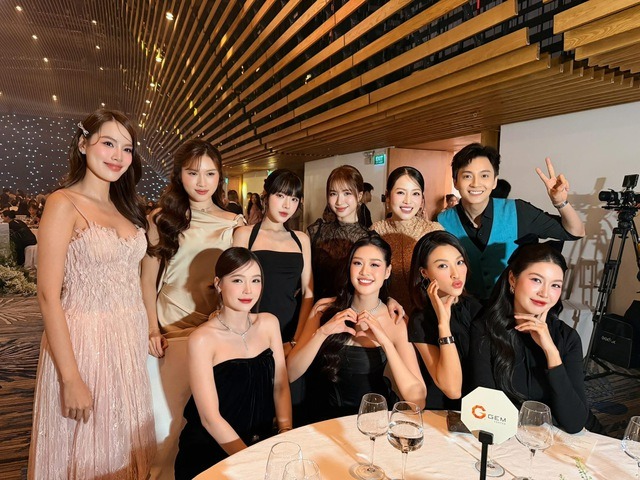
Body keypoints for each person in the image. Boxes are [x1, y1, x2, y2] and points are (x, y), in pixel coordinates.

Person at [28, 109, 155, 478]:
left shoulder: (126, 207)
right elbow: (48, 296)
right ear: (83, 145)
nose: (118, 156)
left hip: (128, 341)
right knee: (89, 452)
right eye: (108, 143)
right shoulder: (63, 202)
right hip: (85, 342)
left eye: (127, 149)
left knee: (121, 446)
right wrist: (70, 378)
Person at [174, 248, 291, 479]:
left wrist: (286, 433)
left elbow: (280, 385)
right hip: (212, 451)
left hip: (262, 443)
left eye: (255, 280)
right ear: (218, 284)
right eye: (238, 280)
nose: (248, 290)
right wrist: (251, 463)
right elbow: (210, 419)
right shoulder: (202, 339)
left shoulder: (269, 323)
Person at [287, 235, 426, 423]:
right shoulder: (324, 309)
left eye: (374, 265)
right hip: (321, 419)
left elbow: (418, 400)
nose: (365, 272)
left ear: (387, 271)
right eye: (357, 263)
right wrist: (322, 333)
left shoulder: (396, 321)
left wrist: (385, 341)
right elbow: (290, 373)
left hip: (371, 422)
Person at [437, 143, 585, 301]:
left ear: (494, 181)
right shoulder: (441, 222)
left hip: (511, 308)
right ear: (455, 181)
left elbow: (575, 232)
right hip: (464, 308)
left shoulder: (518, 211)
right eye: (467, 176)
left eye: (484, 176)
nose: (476, 183)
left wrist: (560, 202)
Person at [469, 243, 588, 434]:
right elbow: (485, 410)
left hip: (550, 439)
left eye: (555, 285)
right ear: (512, 279)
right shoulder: (484, 330)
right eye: (536, 280)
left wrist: (551, 352)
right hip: (505, 437)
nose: (545, 293)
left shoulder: (567, 338)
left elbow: (574, 423)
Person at [141, 139, 244, 355]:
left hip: (215, 323)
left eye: (210, 173)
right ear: (179, 174)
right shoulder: (161, 218)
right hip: (167, 322)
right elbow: (147, 279)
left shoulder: (235, 224)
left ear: (219, 176)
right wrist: (151, 329)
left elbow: (238, 282)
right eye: (193, 173)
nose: (202, 182)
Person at [233, 169, 313, 352]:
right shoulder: (245, 235)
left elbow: (308, 293)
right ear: (266, 196)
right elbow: (233, 286)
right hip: (250, 330)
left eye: (294, 199)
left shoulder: (301, 240)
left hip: (290, 331)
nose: (287, 205)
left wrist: (296, 340)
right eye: (280, 196)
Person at [407, 231, 482, 410]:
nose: (456, 274)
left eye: (459, 262)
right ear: (424, 272)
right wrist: (443, 324)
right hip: (443, 414)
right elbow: (452, 390)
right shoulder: (420, 320)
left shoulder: (478, 307)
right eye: (443, 266)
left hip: (480, 410)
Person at [371, 167, 443, 313]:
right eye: (400, 192)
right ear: (388, 196)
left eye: (415, 193)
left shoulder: (434, 231)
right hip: (388, 313)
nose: (408, 201)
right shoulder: (376, 231)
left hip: (428, 314)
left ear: (422, 199)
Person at [307, 165, 371, 299]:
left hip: (352, 309)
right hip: (316, 307)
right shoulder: (315, 232)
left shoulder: (369, 238)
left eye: (347, 193)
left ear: (359, 196)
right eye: (333, 194)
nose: (339, 201)